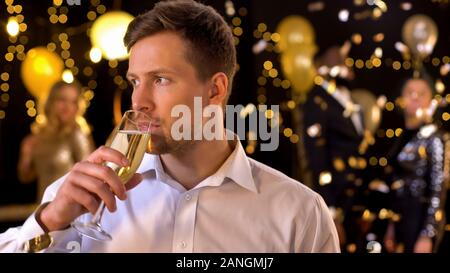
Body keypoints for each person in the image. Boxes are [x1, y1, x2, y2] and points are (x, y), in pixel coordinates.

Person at [0, 0, 339, 252]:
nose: (139, 101)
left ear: (215, 90)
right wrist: (49, 222)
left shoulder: (299, 214)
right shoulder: (81, 198)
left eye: (160, 79)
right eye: (135, 81)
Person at [302, 43, 368, 252]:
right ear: (319, 63)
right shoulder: (316, 100)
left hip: (356, 195)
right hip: (335, 197)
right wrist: (329, 211)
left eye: (343, 56)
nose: (341, 60)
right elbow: (316, 157)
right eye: (334, 55)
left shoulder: (348, 96)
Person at [383, 75, 448, 253]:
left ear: (430, 100)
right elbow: (394, 185)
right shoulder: (399, 137)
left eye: (421, 93)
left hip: (419, 217)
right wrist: (391, 225)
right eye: (410, 92)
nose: (415, 97)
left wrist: (427, 234)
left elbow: (438, 188)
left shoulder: (435, 138)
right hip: (400, 219)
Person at [17, 81, 94, 202]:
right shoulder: (39, 137)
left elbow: (90, 176)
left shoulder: (78, 135)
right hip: (43, 208)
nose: (67, 106)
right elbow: (25, 177)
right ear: (51, 102)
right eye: (62, 99)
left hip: (69, 209)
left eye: (73, 102)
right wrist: (26, 155)